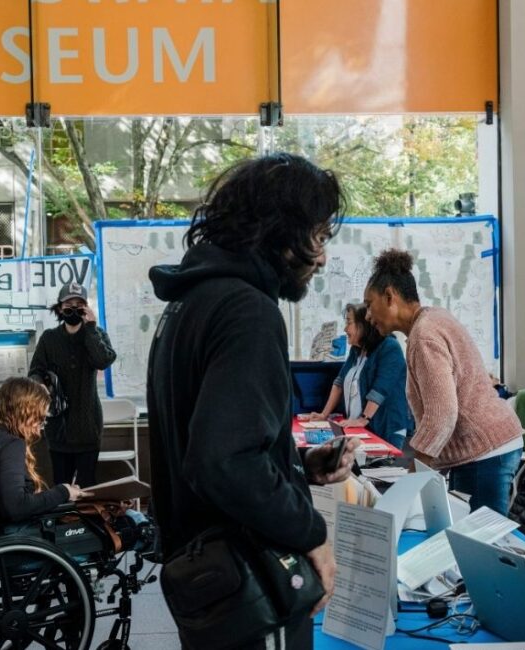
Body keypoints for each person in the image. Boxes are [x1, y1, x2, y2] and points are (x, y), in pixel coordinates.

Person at [147, 153, 360, 650]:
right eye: (319, 237)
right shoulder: (249, 312)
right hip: (251, 581)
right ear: (280, 233)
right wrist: (311, 533)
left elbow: (207, 441)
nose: (323, 256)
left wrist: (297, 465)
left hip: (207, 581)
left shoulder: (190, 303)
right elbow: (223, 461)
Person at [363, 249, 523, 515]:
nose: (367, 315)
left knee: (480, 546)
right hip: (480, 449)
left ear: (390, 296)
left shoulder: (424, 335)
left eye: (369, 304)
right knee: (462, 536)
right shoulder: (433, 318)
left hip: (485, 451)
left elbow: (441, 416)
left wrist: (409, 482)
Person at [0, 377, 89, 528]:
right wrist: (64, 492)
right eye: (40, 419)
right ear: (25, 412)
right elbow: (16, 506)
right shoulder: (10, 445)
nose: (39, 429)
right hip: (18, 532)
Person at [28, 282, 117, 488]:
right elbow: (35, 371)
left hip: (88, 424)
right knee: (62, 485)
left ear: (86, 308)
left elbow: (103, 360)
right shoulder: (49, 338)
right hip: (58, 425)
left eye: (80, 305)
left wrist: (91, 328)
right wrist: (41, 386)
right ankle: (63, 520)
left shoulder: (95, 334)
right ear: (59, 308)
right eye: (69, 305)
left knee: (88, 486)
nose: (74, 309)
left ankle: (88, 520)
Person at [298, 303, 413, 449]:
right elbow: (339, 383)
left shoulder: (390, 347)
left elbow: (380, 389)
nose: (345, 329)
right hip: (361, 427)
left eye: (349, 322)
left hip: (386, 427)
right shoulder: (357, 350)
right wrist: (323, 414)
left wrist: (363, 419)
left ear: (364, 324)